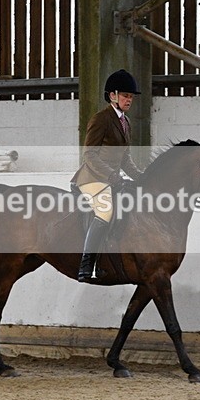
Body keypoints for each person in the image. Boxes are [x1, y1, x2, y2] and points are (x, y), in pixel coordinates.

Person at [71, 69, 144, 282]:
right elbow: (89, 155)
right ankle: (86, 266)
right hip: (92, 179)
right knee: (105, 211)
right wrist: (112, 176)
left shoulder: (126, 122)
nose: (129, 100)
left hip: (111, 179)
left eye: (131, 97)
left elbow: (125, 158)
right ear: (112, 95)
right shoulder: (101, 119)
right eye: (125, 95)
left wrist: (141, 177)